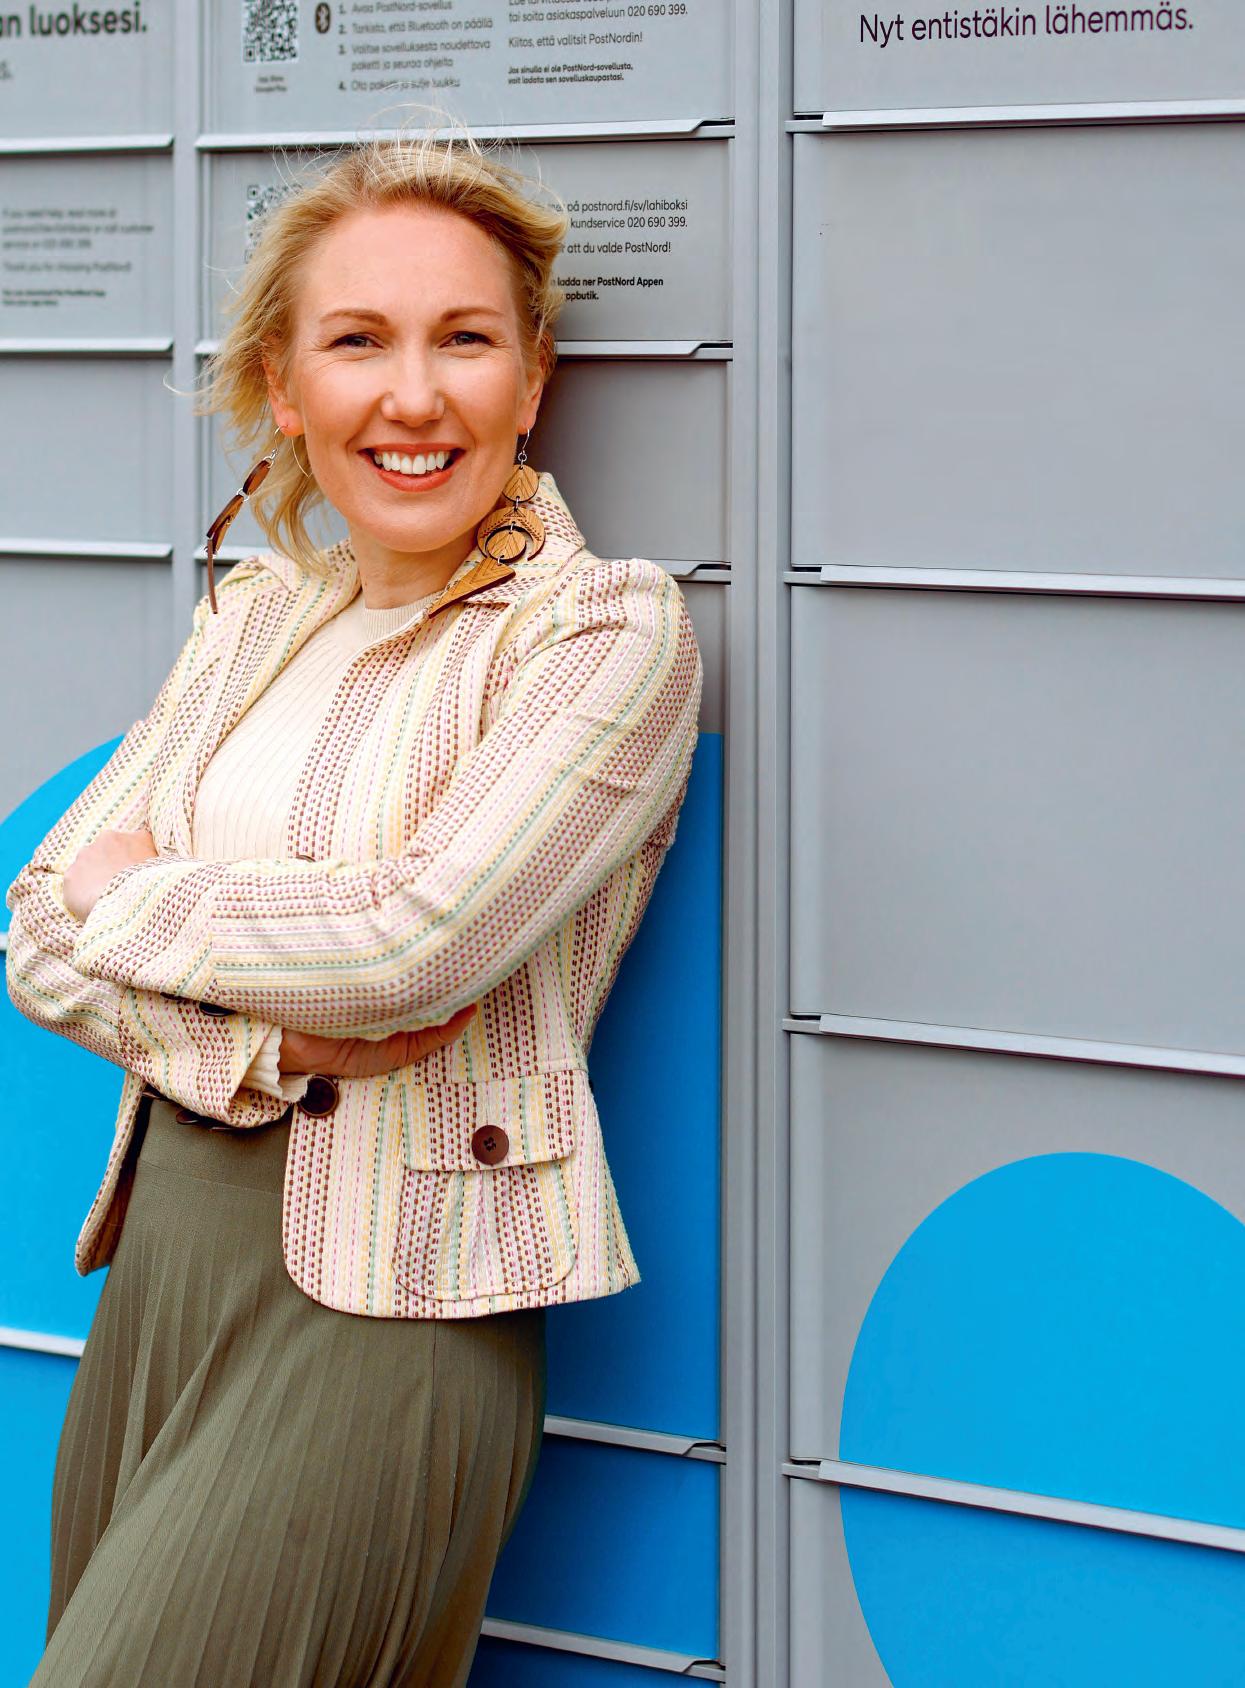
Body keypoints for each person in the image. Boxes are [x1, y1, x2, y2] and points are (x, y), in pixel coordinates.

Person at [5, 118, 703, 1687]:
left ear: (532, 379)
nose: (413, 394)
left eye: (464, 339)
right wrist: (267, 1046)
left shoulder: (600, 634)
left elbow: (410, 948)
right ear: (283, 384)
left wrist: (143, 897)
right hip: (166, 1274)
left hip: (395, 1301)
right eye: (358, 341)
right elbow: (33, 929)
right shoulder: (257, 618)